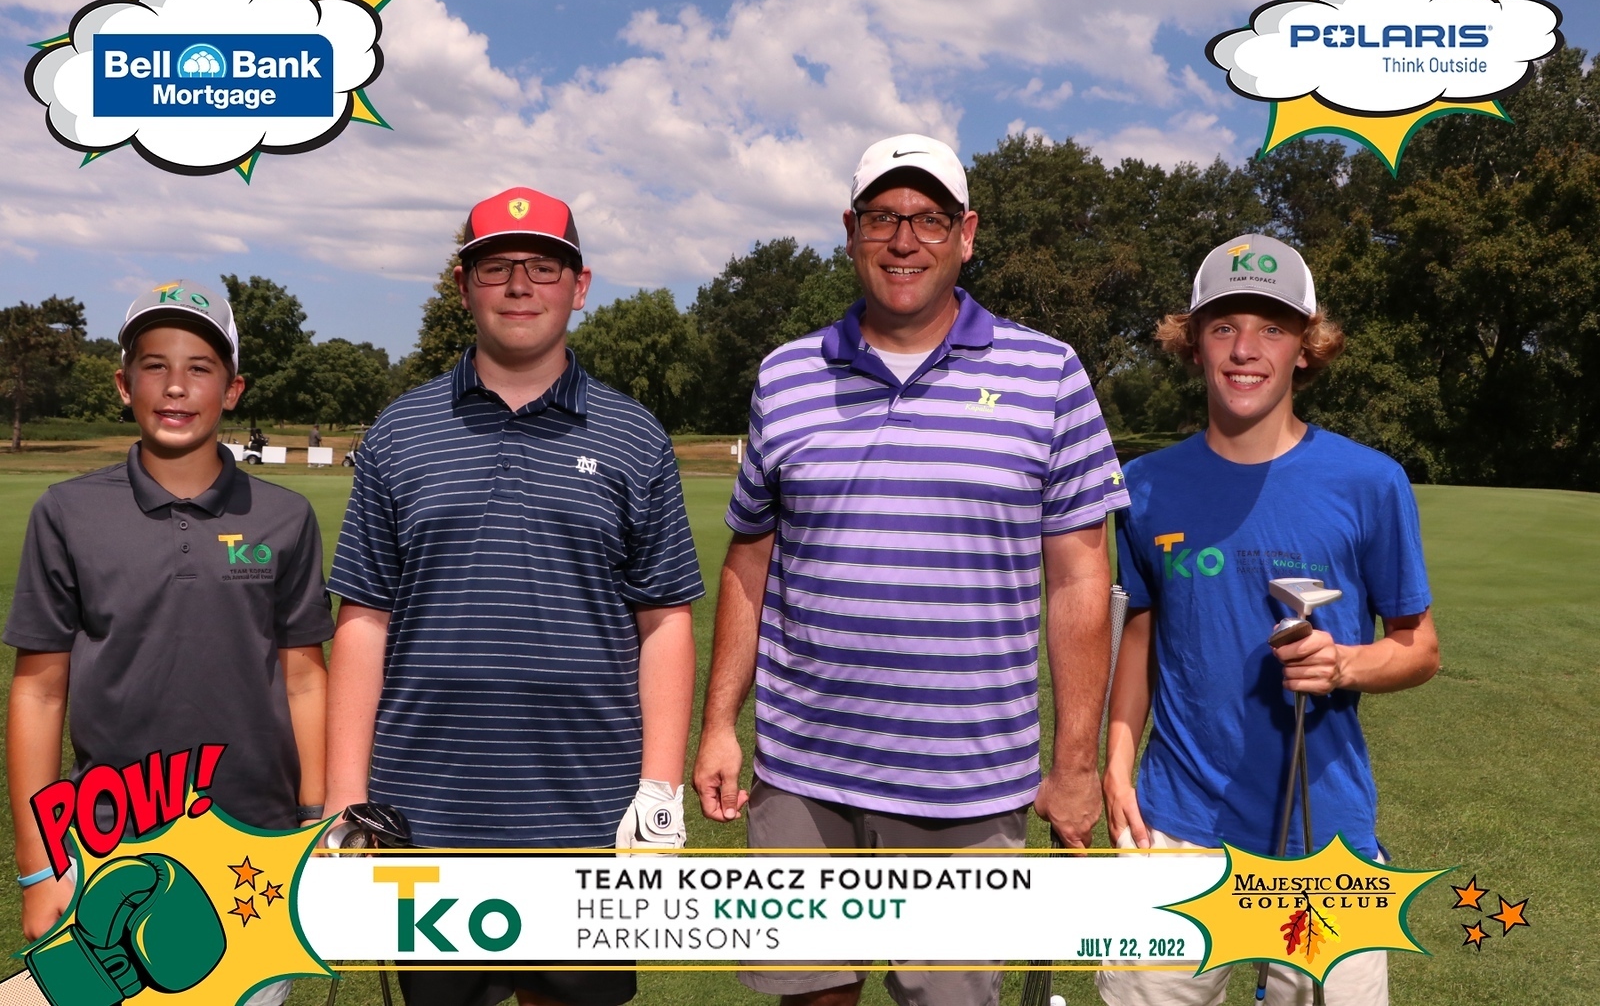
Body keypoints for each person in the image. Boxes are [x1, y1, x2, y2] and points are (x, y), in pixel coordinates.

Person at [692, 134, 1129, 1006]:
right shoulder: (787, 374)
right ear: (850, 230)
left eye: (928, 218)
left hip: (967, 785)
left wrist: (1077, 763)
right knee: (810, 998)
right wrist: (718, 724)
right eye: (883, 217)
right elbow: (750, 560)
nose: (904, 240)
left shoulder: (1049, 372)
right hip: (803, 773)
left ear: (966, 234)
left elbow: (1082, 581)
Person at [323, 187, 703, 1006]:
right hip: (427, 811)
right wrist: (344, 796)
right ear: (463, 286)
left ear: (580, 284)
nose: (520, 284)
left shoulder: (635, 436)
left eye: (543, 266)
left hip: (585, 810)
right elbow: (363, 620)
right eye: (496, 267)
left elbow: (665, 620)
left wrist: (659, 787)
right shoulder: (399, 431)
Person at [1097, 234, 1439, 1006]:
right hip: (1174, 830)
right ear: (1193, 343)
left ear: (1305, 347)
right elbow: (1141, 639)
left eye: (1272, 328)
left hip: (1325, 841)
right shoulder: (1144, 486)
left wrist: (1344, 663)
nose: (1245, 349)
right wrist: (1116, 762)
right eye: (1223, 326)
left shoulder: (1371, 482)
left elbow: (1419, 646)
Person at [4, 280, 333, 1005]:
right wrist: (38, 864)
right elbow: (39, 691)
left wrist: (316, 826)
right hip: (111, 847)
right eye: (154, 365)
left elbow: (306, 679)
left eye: (199, 367)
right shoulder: (67, 512)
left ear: (233, 389)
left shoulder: (284, 518)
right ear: (124, 384)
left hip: (256, 850)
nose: (176, 386)